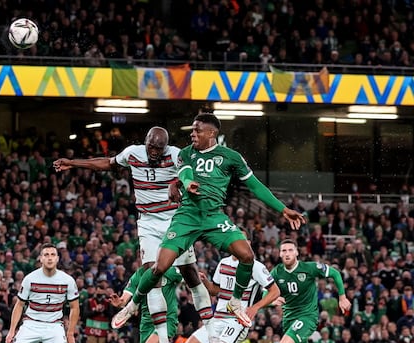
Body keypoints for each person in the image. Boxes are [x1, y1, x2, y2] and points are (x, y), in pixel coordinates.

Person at [121, 114, 304, 329]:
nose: (192, 134)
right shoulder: (186, 153)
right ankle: (132, 304)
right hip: (187, 216)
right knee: (160, 267)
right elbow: (186, 173)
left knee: (246, 255)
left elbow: (255, 186)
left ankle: (235, 301)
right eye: (192, 130)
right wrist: (187, 184)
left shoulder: (231, 157)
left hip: (213, 216)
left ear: (212, 133)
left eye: (197, 130)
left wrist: (283, 209)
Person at [54, 127, 209, 343]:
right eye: (151, 147)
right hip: (147, 221)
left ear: (166, 146)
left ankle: (209, 326)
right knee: (151, 272)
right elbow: (106, 163)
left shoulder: (176, 155)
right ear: (145, 142)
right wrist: (73, 163)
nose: (154, 152)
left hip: (174, 220)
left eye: (159, 148)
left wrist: (177, 181)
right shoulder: (133, 153)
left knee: (190, 273)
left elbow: (192, 173)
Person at [266, 240, 351, 343]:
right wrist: (272, 300)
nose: (287, 253)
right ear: (280, 254)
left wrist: (342, 296)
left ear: (297, 253)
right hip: (289, 319)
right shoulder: (276, 273)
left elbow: (334, 273)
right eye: (284, 250)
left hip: (307, 317)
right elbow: (264, 290)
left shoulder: (309, 268)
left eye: (291, 249)